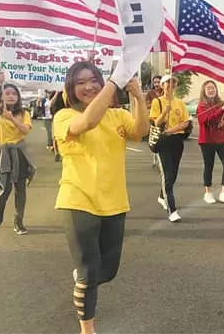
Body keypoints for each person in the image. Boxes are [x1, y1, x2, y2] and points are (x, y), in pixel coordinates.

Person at [53, 60, 149, 334]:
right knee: (88, 273)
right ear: (70, 89)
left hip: (115, 202)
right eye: (80, 82)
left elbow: (140, 131)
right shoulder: (65, 117)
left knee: (107, 270)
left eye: (93, 79)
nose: (88, 86)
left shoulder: (117, 116)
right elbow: (88, 121)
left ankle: (85, 276)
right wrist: (113, 83)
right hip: (78, 201)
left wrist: (138, 96)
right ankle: (88, 329)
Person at [0, 72, 36, 235]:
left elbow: (25, 130)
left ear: (18, 97)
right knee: (5, 189)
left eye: (14, 93)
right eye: (7, 93)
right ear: (2, 96)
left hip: (19, 152)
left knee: (20, 188)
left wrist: (12, 119)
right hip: (1, 153)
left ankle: (18, 221)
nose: (11, 96)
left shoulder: (24, 113)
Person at [150, 74, 191, 222]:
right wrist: (165, 112)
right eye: (167, 82)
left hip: (177, 141)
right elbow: (156, 123)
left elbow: (185, 123)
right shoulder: (157, 102)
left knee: (173, 174)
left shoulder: (180, 103)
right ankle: (172, 209)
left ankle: (162, 196)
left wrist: (172, 130)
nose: (170, 85)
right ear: (162, 85)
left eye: (173, 83)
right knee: (167, 176)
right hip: (163, 142)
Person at [196, 80, 224, 205]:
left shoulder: (220, 103)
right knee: (209, 166)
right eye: (208, 88)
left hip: (222, 139)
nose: (211, 90)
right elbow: (206, 120)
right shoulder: (201, 106)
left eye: (213, 88)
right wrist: (221, 110)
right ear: (204, 91)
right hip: (207, 141)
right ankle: (208, 192)